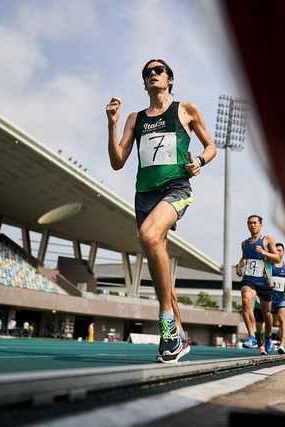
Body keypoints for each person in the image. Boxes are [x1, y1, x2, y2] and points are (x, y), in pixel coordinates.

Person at [106, 59, 216, 363]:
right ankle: (179, 335)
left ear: (169, 79)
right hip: (144, 195)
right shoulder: (134, 118)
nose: (152, 75)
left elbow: (210, 146)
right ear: (144, 84)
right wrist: (112, 123)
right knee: (158, 257)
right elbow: (117, 161)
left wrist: (200, 162)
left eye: (158, 71)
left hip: (176, 188)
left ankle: (166, 327)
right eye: (147, 73)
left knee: (149, 236)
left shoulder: (186, 110)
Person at [236, 215, 280, 355]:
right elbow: (244, 258)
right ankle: (251, 336)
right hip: (249, 279)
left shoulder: (267, 239)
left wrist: (264, 252)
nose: (252, 225)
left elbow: (277, 257)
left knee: (266, 314)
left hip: (265, 281)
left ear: (261, 225)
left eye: (255, 223)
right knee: (245, 297)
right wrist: (239, 265)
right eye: (249, 223)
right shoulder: (245, 243)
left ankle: (267, 337)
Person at [270, 243, 285, 354]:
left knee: (282, 318)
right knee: (273, 323)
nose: (278, 252)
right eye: (276, 250)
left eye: (280, 250)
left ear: (283, 253)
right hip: (270, 298)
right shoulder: (269, 265)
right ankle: (267, 341)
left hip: (283, 297)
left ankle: (282, 345)